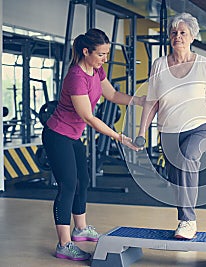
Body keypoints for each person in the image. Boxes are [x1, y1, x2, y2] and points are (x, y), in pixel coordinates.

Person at [42, 28, 145, 261]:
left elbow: (113, 95)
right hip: (57, 134)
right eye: (101, 54)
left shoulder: (97, 70)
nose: (104, 59)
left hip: (73, 136)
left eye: (107, 54)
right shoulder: (76, 77)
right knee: (68, 185)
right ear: (86, 51)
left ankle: (80, 229)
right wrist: (119, 137)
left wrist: (140, 101)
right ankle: (64, 244)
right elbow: (89, 117)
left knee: (83, 181)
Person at [135, 13, 206, 240]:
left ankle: (188, 221)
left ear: (193, 36)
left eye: (183, 32)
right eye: (174, 32)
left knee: (187, 158)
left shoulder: (203, 64)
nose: (178, 36)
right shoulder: (159, 65)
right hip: (168, 131)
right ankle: (184, 217)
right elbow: (151, 102)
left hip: (200, 127)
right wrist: (141, 133)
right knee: (176, 177)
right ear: (169, 36)